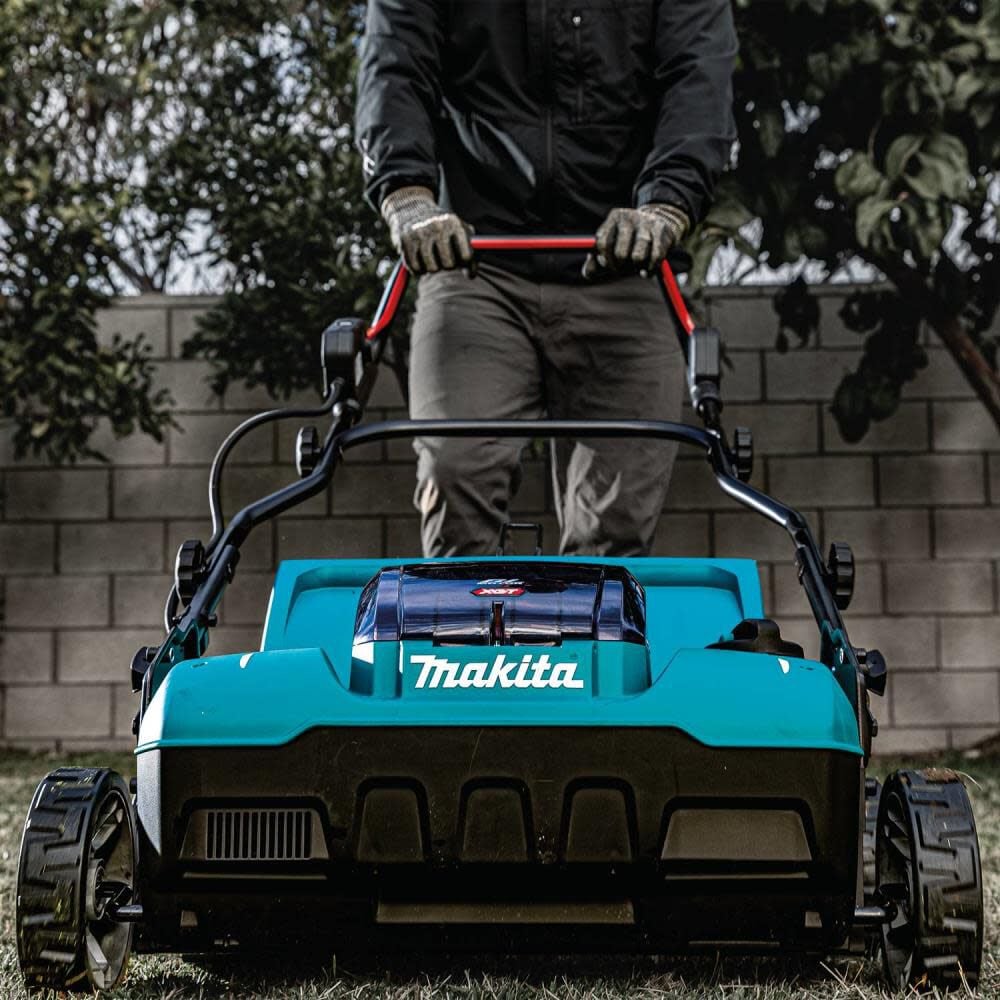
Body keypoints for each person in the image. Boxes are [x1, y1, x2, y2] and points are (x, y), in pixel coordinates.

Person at [356, 1, 737, 557]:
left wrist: (667, 204)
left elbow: (698, 79)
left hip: (623, 262)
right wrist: (407, 194)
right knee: (455, 470)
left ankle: (597, 611)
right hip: (477, 265)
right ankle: (459, 614)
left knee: (618, 521)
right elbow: (395, 67)